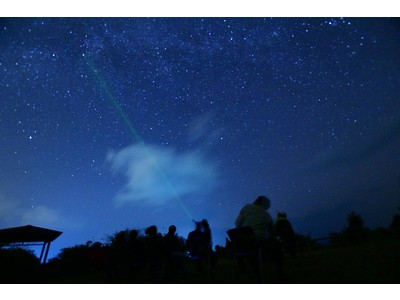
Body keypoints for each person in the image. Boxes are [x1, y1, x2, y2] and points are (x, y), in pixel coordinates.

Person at [235, 195, 283, 280]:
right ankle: (280, 272)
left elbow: (237, 223)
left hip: (242, 244)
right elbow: (272, 232)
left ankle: (247, 268)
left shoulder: (246, 208)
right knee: (277, 244)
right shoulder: (266, 215)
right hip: (258, 243)